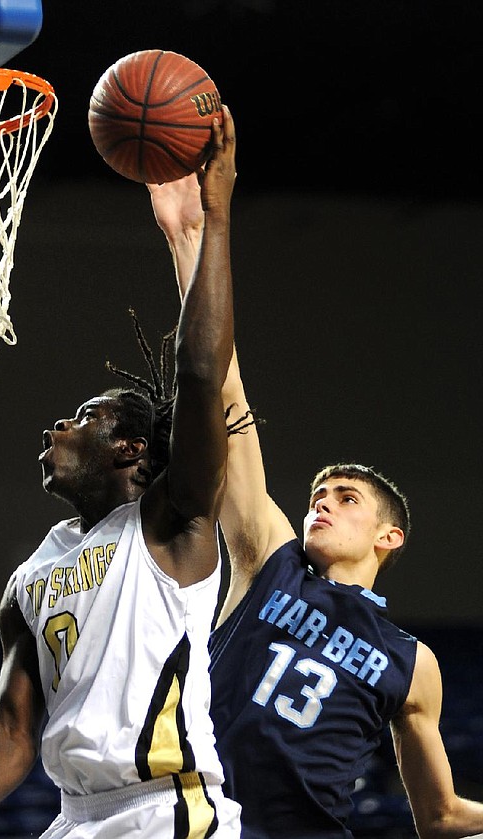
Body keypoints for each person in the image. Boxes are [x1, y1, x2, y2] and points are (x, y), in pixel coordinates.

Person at [0, 107, 241, 839]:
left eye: (84, 416)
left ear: (130, 451)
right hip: (74, 817)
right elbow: (14, 726)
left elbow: (198, 372)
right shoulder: (31, 573)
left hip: (165, 808)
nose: (56, 426)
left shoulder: (172, 521)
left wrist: (211, 219)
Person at [148, 174, 483, 839]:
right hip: (201, 824)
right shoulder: (268, 558)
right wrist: (192, 236)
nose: (321, 506)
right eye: (317, 497)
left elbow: (440, 815)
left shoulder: (411, 661)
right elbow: (225, 390)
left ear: (390, 536)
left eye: (346, 499)